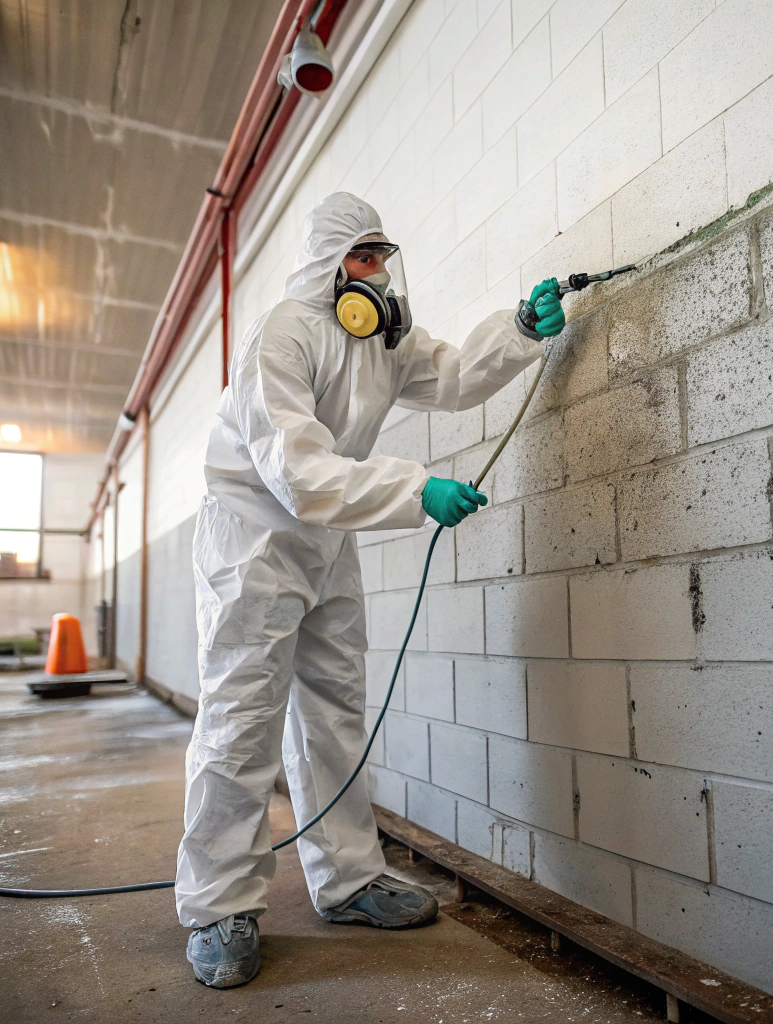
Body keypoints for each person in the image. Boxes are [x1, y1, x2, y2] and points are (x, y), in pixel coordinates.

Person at [178, 192, 565, 988]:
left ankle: (349, 876)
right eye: (362, 257)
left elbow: (453, 375)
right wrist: (414, 491)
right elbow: (295, 470)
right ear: (327, 265)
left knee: (334, 709)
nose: (378, 272)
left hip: (326, 538)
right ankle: (218, 905)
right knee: (241, 717)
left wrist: (519, 330)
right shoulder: (281, 335)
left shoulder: (382, 335)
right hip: (252, 540)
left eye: (383, 256)